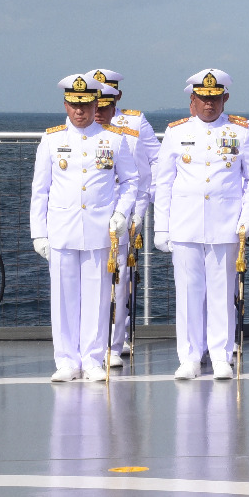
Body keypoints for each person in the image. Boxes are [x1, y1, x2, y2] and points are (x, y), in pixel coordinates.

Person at [152, 69, 249, 380]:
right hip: (185, 225)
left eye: (215, 98)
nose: (209, 104)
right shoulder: (175, 132)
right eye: (203, 98)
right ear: (193, 99)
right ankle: (189, 357)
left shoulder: (241, 131)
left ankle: (220, 356)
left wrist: (248, 218)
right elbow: (163, 182)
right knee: (188, 294)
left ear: (225, 98)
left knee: (221, 295)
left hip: (225, 226)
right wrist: (162, 227)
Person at [30, 74, 139, 382]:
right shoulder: (52, 140)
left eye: (87, 105)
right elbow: (40, 190)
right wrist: (39, 233)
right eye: (74, 105)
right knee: (63, 299)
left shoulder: (114, 139)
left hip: (99, 232)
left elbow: (131, 181)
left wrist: (121, 213)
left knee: (97, 298)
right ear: (66, 105)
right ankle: (66, 360)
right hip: (62, 231)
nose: (80, 111)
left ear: (95, 105)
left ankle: (92, 359)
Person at [88, 69, 159, 357]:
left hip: (126, 211)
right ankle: (92, 340)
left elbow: (156, 162)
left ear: (117, 95)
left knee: (121, 280)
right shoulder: (83, 127)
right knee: (92, 279)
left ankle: (116, 341)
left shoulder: (134, 122)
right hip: (93, 211)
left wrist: (143, 206)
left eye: (108, 95)